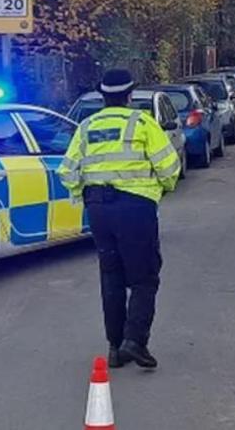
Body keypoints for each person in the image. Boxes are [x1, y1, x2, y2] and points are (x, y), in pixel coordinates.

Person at [57, 69, 180, 370]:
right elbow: (169, 166)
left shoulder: (86, 126)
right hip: (135, 208)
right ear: (129, 95)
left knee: (111, 276)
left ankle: (114, 348)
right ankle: (134, 341)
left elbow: (68, 171)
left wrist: (83, 194)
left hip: (98, 210)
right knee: (144, 276)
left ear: (102, 96)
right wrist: (160, 189)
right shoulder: (142, 123)